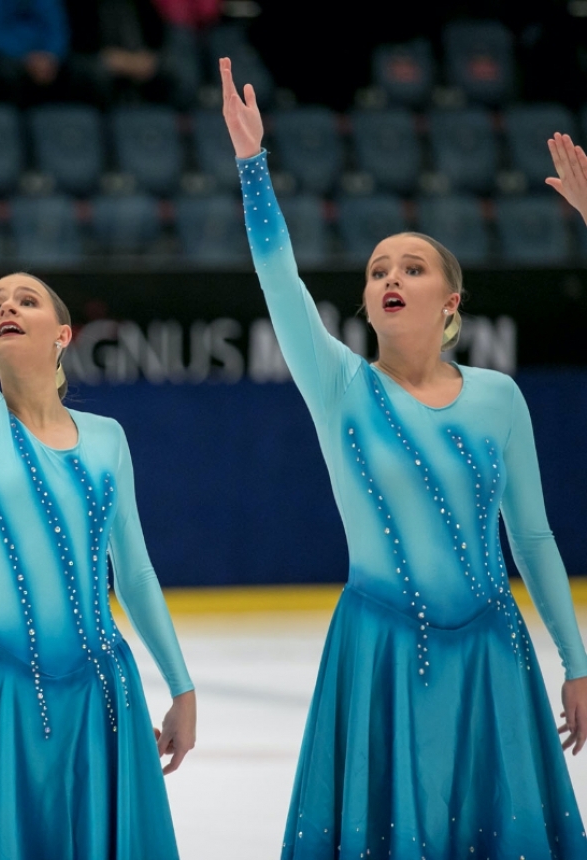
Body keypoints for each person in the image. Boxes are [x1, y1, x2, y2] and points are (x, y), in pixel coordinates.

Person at [219, 57, 587, 858]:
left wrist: (578, 661)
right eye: (378, 269)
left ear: (450, 303)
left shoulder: (498, 398)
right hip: (380, 652)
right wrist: (253, 168)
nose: (390, 276)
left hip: (493, 654)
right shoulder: (339, 385)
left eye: (412, 268)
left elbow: (532, 540)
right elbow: (278, 278)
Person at [0, 69, 196, 860]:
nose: (4, 308)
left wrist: (181, 684)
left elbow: (134, 573)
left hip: (104, 691)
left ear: (62, 335)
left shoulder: (107, 438)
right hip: (1, 688)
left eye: (25, 300)